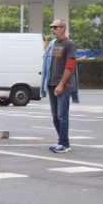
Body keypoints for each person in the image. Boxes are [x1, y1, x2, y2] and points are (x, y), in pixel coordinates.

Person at [41, 18, 79, 154]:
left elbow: (70, 66)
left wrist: (61, 84)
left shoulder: (69, 44)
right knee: (55, 116)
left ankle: (64, 143)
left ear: (62, 28)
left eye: (55, 27)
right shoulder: (53, 44)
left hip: (63, 84)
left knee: (62, 115)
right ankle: (61, 141)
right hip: (52, 84)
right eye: (51, 27)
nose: (52, 29)